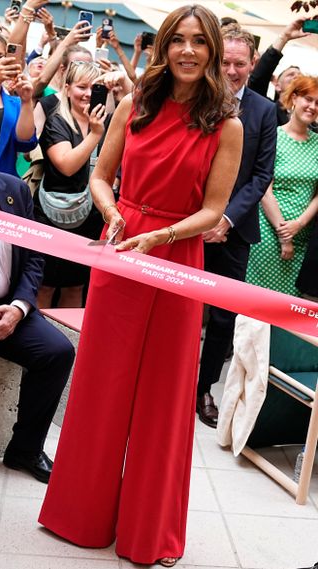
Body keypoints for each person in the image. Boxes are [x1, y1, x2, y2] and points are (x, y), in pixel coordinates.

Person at [38, 4, 243, 566]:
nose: (188, 52)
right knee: (101, 386)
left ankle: (147, 533)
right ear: (163, 48)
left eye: (200, 43)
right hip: (121, 252)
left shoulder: (227, 126)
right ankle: (77, 515)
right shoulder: (134, 106)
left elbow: (215, 210)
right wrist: (113, 213)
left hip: (178, 257)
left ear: (213, 53)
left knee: (163, 397)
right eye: (179, 40)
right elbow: (100, 178)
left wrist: (164, 234)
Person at [196, 24, 277, 428]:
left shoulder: (265, 111)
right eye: (224, 62)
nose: (230, 71)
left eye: (239, 64)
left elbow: (261, 176)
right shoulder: (197, 98)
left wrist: (226, 218)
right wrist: (204, 217)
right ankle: (172, 381)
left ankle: (203, 389)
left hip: (235, 230)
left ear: (253, 65)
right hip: (189, 223)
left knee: (224, 317)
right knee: (183, 308)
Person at [0, 171, 75, 483]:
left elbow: (33, 259)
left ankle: (25, 449)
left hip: (9, 308)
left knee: (57, 352)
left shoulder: (14, 190)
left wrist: (18, 308)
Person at [33, 61, 107, 308]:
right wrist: (95, 135)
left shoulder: (104, 123)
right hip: (53, 216)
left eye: (94, 88)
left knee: (76, 286)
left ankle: (68, 345)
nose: (87, 93)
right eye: (81, 86)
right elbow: (66, 165)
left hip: (92, 218)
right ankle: (41, 344)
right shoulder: (57, 121)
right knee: (45, 285)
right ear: (67, 88)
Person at [246, 75, 318, 296]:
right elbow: (264, 190)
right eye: (308, 99)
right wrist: (283, 233)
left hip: (302, 235)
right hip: (268, 233)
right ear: (294, 98)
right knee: (256, 306)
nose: (313, 107)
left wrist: (298, 224)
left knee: (288, 309)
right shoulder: (273, 136)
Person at [0, 33, 37, 176]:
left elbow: (25, 143)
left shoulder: (14, 104)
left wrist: (26, 101)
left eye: (0, 56)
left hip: (2, 189)